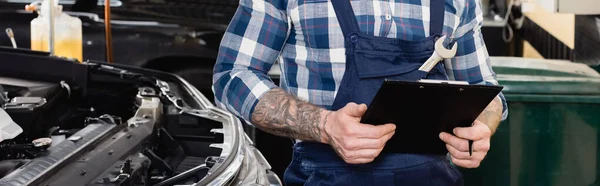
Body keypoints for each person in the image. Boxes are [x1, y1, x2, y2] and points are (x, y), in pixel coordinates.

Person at [213, 0, 508, 185]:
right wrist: (324, 125)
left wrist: (482, 126)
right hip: (326, 176)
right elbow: (233, 75)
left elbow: (485, 89)